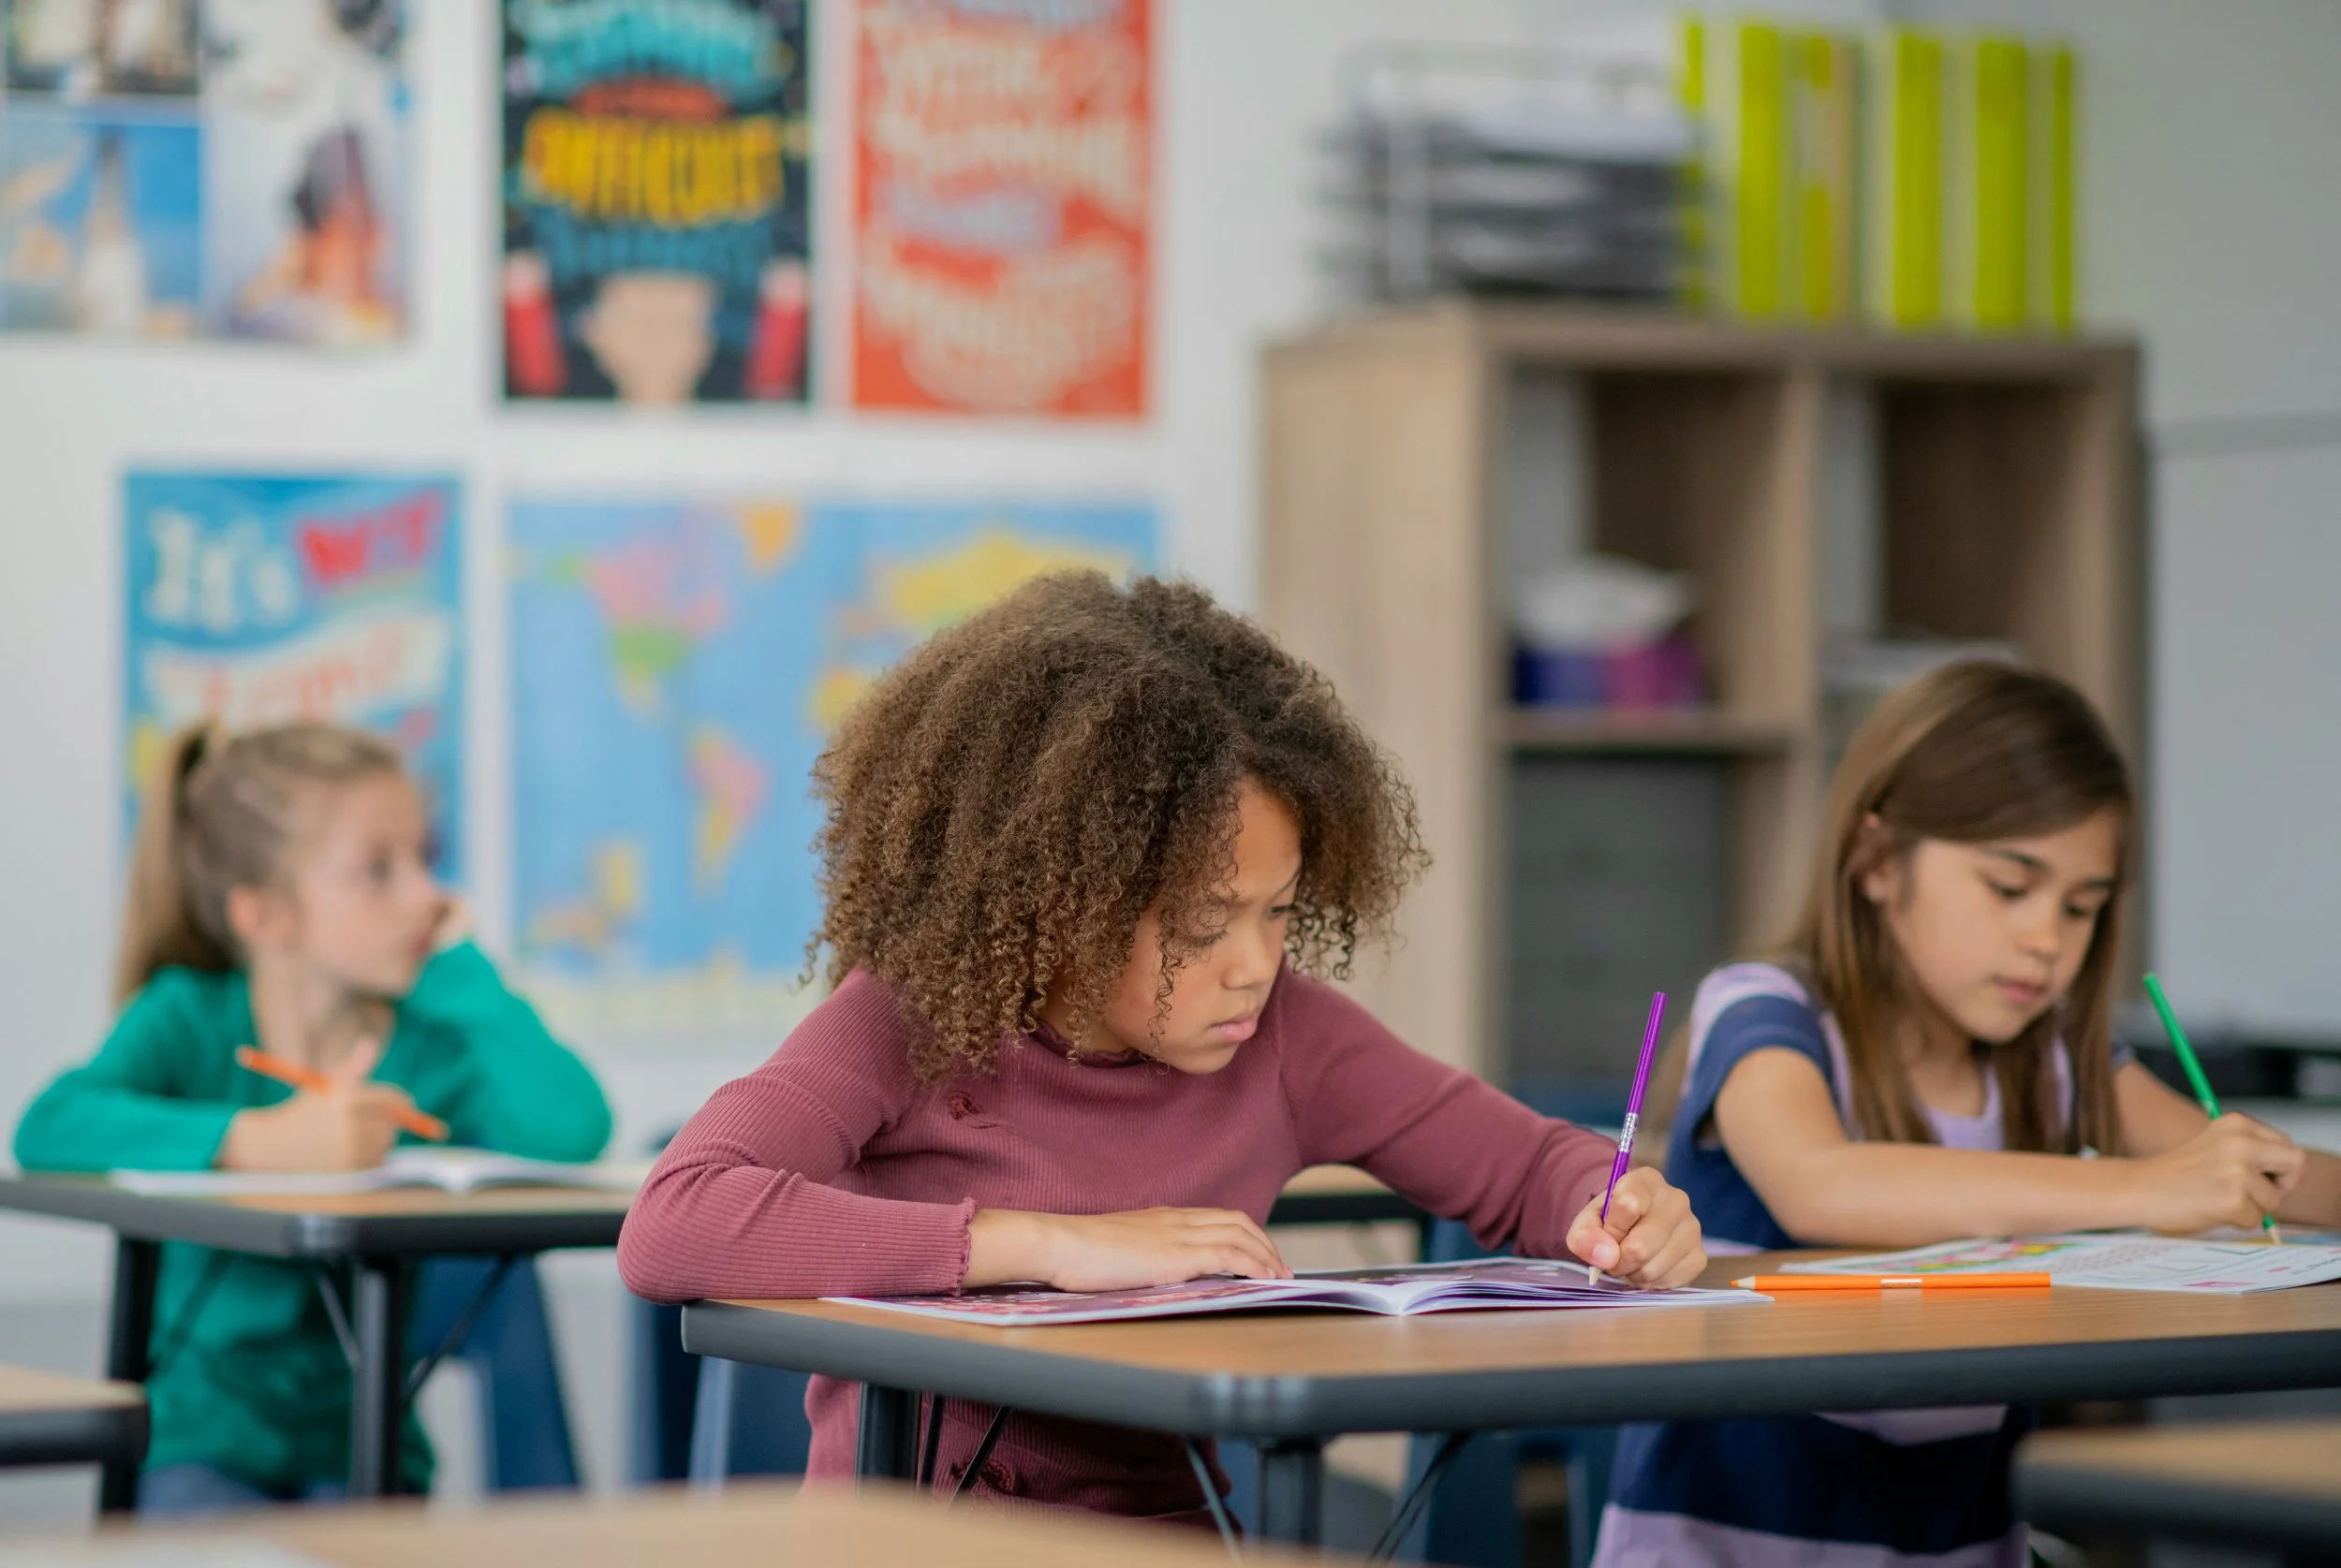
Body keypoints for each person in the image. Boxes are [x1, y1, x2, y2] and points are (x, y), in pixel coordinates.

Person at [618, 572, 1707, 1524]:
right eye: (1199, 925)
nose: (1253, 965)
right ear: (1061, 897)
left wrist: (1610, 1205)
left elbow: (1524, 1167)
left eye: (1279, 911)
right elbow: (675, 1219)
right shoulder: (910, 1020)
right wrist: (1049, 1244)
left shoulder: (1290, 1040)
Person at [1596, 661, 2341, 1567]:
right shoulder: (1765, 1010)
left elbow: (2261, 1172)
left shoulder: (2054, 1057)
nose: (2047, 941)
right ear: (1875, 861)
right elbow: (1820, 1185)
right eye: (2008, 887)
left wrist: (2255, 1170)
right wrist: (2144, 1184)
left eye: (2081, 908)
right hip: (1727, 1548)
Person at [14, 722, 611, 1511]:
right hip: (204, 1442)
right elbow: (48, 1127)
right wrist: (255, 1141)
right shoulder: (190, 1018)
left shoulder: (428, 1044)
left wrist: (460, 971)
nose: (428, 895)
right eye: (378, 870)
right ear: (266, 916)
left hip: (363, 1449)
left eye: (423, 861)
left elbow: (574, 1126)